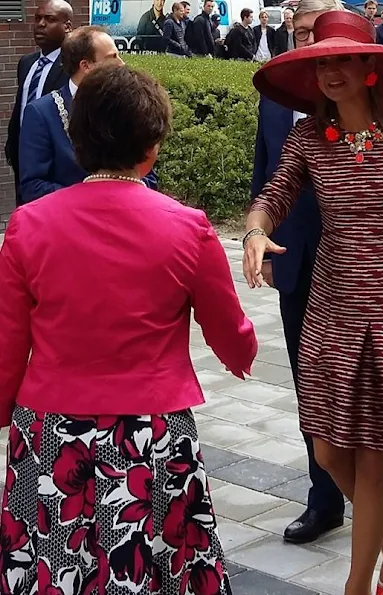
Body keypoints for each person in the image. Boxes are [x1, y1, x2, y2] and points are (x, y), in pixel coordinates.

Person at [0, 62, 257, 594]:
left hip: (52, 427)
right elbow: (228, 329)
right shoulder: (187, 227)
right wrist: (242, 354)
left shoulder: (29, 224)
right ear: (153, 144)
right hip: (153, 429)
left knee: (53, 563)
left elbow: (8, 341)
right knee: (156, 565)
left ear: (77, 141)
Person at [247, 10, 383, 595]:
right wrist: (254, 231)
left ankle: (360, 584)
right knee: (327, 449)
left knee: (375, 449)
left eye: (343, 59)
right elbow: (273, 194)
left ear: (371, 66)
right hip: (333, 302)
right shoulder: (306, 136)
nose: (331, 72)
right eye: (322, 61)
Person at [252, 0, 383, 548]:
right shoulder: (280, 113)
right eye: (303, 40)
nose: (317, 55)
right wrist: (259, 238)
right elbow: (266, 182)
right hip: (305, 271)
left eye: (324, 44)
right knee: (316, 400)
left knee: (380, 401)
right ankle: (328, 502)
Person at [18, 27, 158, 203]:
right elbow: (32, 186)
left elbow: (149, 176)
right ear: (86, 66)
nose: (121, 63)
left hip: (126, 217)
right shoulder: (41, 112)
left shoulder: (127, 105)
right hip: (69, 224)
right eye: (112, 57)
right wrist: (91, 200)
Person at [5, 0, 73, 208]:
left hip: (52, 158)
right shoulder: (27, 63)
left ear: (68, 26)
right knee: (23, 210)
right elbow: (21, 105)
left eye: (50, 19)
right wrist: (12, 145)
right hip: (22, 154)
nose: (40, 24)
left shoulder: (72, 66)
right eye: (37, 18)